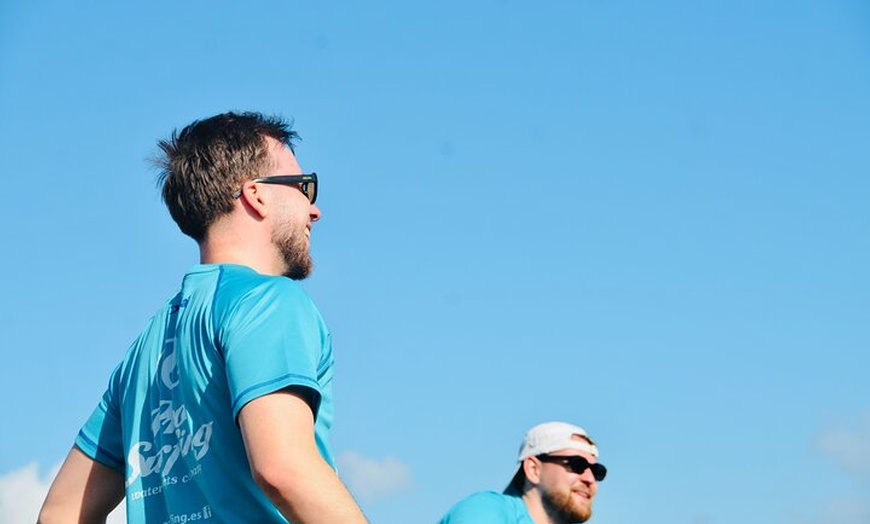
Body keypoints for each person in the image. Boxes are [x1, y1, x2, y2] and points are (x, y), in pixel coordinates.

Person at [38, 111, 368, 524]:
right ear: (257, 195)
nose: (314, 210)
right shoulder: (268, 302)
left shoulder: (144, 353)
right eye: (304, 187)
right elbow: (284, 470)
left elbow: (60, 513)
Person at [439, 422, 606, 524]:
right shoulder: (488, 509)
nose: (590, 479)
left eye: (597, 471)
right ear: (533, 469)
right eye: (577, 465)